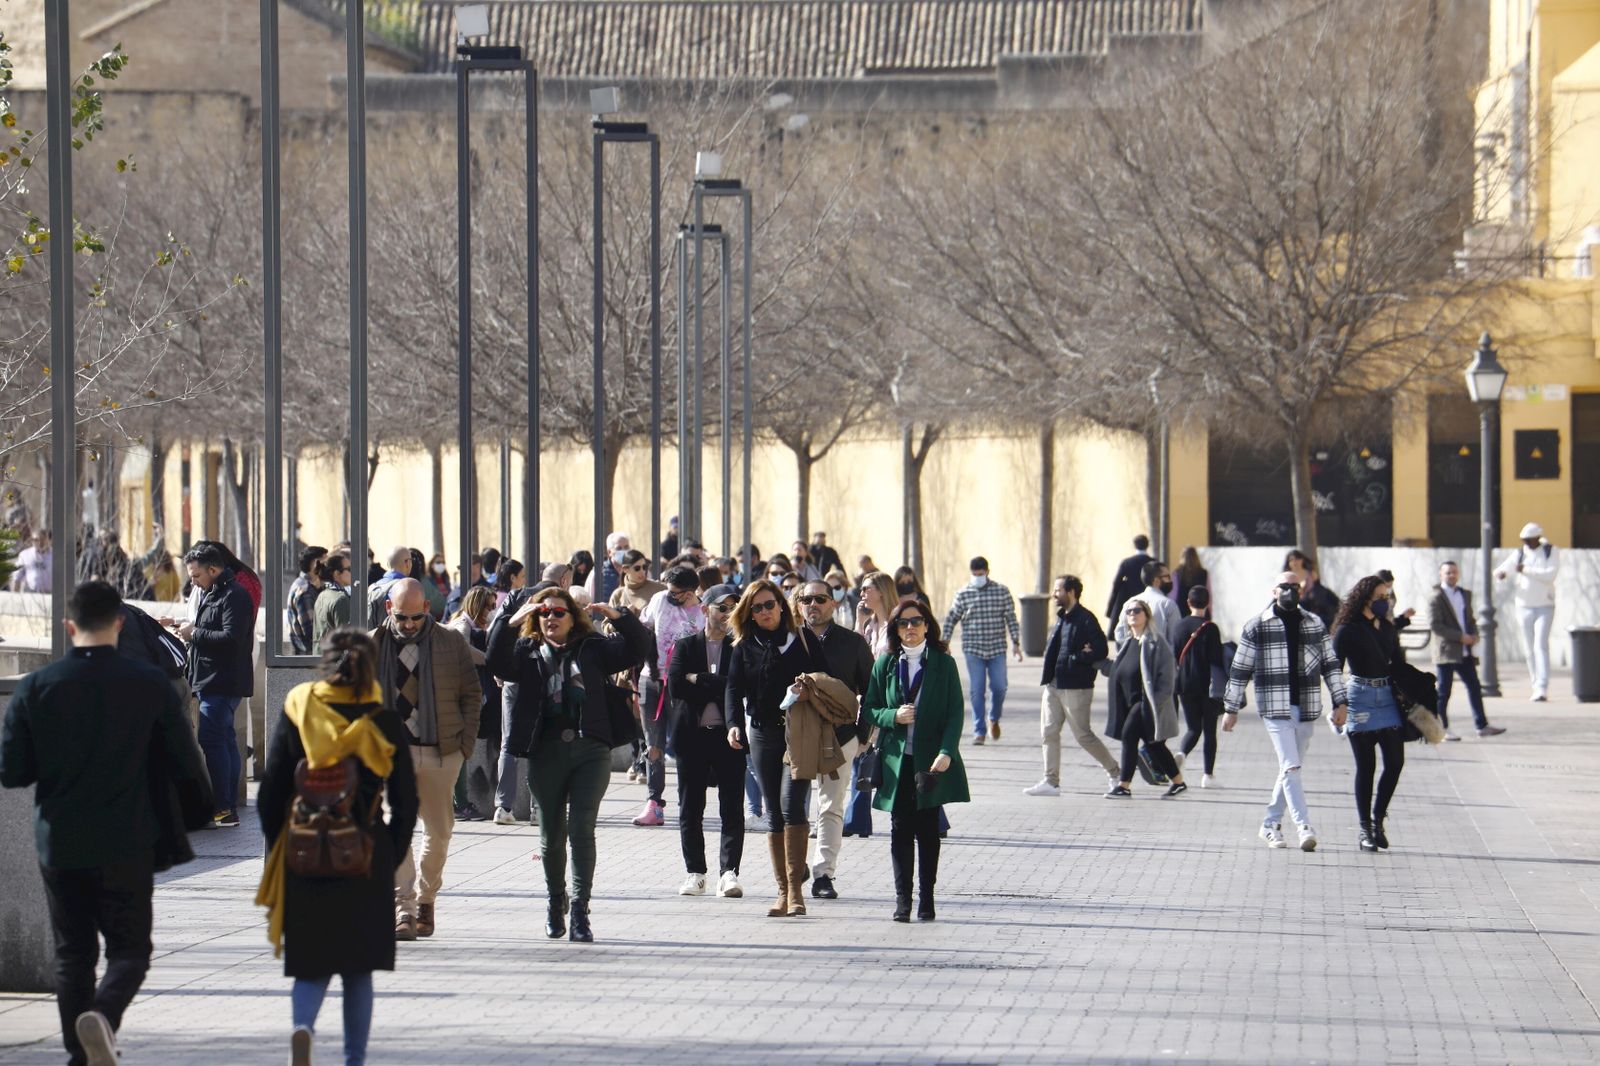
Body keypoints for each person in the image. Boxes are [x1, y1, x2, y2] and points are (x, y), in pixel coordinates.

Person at [3, 581, 210, 1066]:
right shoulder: (149, 685)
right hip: (129, 838)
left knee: (72, 954)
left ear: (68, 627)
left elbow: (13, 771)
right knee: (130, 951)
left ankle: (81, 1054)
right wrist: (198, 815)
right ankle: (104, 1015)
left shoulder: (37, 687)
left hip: (61, 839)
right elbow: (187, 762)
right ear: (119, 624)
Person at [256, 628, 418, 1066]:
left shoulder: (299, 706)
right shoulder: (382, 719)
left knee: (311, 963)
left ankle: (304, 1028)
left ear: (323, 663)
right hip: (364, 854)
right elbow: (406, 798)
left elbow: (270, 791)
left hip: (305, 854)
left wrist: (280, 852)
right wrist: (391, 852)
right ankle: (353, 1059)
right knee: (357, 969)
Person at [488, 587, 652, 942]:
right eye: (544, 612)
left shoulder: (592, 649)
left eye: (559, 612)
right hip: (544, 752)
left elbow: (639, 648)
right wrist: (508, 620)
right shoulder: (527, 651)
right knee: (550, 837)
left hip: (590, 750)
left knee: (581, 830)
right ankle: (554, 901)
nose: (551, 618)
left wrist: (619, 617)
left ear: (572, 617)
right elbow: (496, 662)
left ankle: (580, 909)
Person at [370, 579, 481, 941]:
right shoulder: (372, 644)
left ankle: (427, 899)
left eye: (417, 617)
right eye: (402, 617)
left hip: (440, 750)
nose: (410, 624)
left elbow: (471, 694)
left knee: (439, 830)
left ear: (428, 611)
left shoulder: (450, 641)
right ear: (390, 609)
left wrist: (463, 745)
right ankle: (405, 908)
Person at [1223, 571, 1349, 852]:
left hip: (1306, 706)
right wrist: (1231, 708)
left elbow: (1330, 664)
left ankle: (1269, 825)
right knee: (1291, 766)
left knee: (1290, 769)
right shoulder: (1257, 625)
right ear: (1273, 591)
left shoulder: (1314, 623)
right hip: (1274, 707)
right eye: (1284, 586)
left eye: (1295, 586)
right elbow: (1240, 668)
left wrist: (1341, 702)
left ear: (1301, 591)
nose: (1290, 591)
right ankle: (1304, 826)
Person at [863, 597, 969, 922]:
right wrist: (893, 715)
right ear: (895, 628)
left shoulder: (943, 663)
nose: (910, 628)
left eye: (916, 622)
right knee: (899, 829)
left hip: (930, 760)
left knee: (927, 829)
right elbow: (869, 708)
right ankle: (902, 900)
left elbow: (955, 713)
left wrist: (947, 752)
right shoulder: (886, 663)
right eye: (904, 623)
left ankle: (927, 899)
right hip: (897, 761)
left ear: (927, 625)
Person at [725, 578, 826, 918]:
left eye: (770, 604)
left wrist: (808, 685)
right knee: (774, 810)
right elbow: (732, 688)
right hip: (763, 734)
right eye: (757, 608)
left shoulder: (801, 639)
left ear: (782, 605)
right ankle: (782, 892)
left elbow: (825, 677)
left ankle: (797, 892)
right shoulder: (744, 646)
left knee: (792, 803)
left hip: (799, 733)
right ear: (749, 614)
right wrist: (733, 723)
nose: (765, 612)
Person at [792, 579, 874, 901]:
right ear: (798, 605)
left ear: (834, 603)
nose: (814, 605)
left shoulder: (852, 643)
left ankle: (823, 874)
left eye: (821, 599)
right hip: (794, 735)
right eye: (806, 599)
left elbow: (871, 691)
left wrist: (862, 735)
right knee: (793, 805)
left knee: (830, 805)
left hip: (840, 735)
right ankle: (794, 863)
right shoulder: (787, 642)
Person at [666, 583, 746, 898]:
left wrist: (701, 679)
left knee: (731, 808)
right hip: (691, 738)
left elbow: (740, 687)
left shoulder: (739, 647)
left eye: (733, 608)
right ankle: (695, 872)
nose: (727, 614)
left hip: (730, 737)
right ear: (705, 610)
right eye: (721, 608)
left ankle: (729, 873)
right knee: (690, 808)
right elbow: (676, 688)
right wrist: (721, 685)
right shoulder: (686, 646)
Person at [179, 543, 257, 828]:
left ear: (214, 569)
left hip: (222, 680)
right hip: (212, 678)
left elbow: (231, 638)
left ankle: (224, 807)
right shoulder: (214, 592)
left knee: (212, 740)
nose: (193, 582)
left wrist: (194, 633)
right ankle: (227, 806)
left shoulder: (234, 595)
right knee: (223, 739)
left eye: (196, 575)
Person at [1331, 575, 1407, 853]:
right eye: (1380, 597)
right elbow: (1334, 669)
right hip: (1359, 698)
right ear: (1365, 598)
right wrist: (1339, 704)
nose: (1384, 602)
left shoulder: (1387, 627)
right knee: (1367, 767)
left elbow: (1398, 664)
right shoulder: (1347, 630)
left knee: (1395, 762)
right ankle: (1365, 828)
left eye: (1387, 597)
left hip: (1387, 697)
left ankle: (1378, 820)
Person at [1026, 575, 1120, 796]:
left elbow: (1101, 650)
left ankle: (1115, 773)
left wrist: (1078, 658)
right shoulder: (1061, 618)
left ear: (1071, 592)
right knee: (1048, 732)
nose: (1054, 594)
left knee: (1083, 736)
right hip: (1053, 685)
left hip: (1076, 687)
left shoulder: (1086, 619)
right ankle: (1051, 782)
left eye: (1058, 590)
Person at [633, 565, 705, 827]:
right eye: (669, 590)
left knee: (685, 744)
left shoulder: (702, 612)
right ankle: (654, 802)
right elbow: (644, 627)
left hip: (683, 686)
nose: (670, 596)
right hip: (651, 679)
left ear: (690, 592)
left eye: (676, 593)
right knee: (653, 744)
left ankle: (689, 800)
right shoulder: (659, 600)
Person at [1104, 600, 1187, 798]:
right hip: (1130, 703)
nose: (1133, 614)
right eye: (1129, 611)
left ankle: (1124, 785)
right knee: (1154, 745)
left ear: (1147, 615)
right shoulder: (1128, 642)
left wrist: (1154, 704)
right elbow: (1117, 670)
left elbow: (1167, 679)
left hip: (1146, 704)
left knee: (1129, 737)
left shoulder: (1156, 643)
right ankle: (1178, 782)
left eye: (1137, 610)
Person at [942, 556, 1023, 745]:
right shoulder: (963, 593)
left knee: (1000, 686)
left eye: (981, 574)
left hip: (997, 648)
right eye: (974, 574)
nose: (978, 577)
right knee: (977, 690)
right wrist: (944, 641)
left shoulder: (1001, 591)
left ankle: (994, 718)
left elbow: (1011, 617)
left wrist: (1016, 643)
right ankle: (979, 730)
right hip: (973, 649)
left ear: (987, 572)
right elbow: (952, 617)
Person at [1429, 561, 1507, 740]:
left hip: (1465, 652)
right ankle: (1442, 728)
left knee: (1474, 687)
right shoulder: (1436, 597)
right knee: (1444, 691)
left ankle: (1482, 725)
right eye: (1448, 573)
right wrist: (1459, 637)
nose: (1451, 575)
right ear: (1441, 575)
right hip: (1447, 652)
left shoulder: (1464, 594)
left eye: (1454, 572)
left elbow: (1469, 619)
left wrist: (1474, 634)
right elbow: (1436, 625)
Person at [445, 585, 497, 823]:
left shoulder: (470, 625)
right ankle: (460, 803)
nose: (491, 611)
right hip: (455, 697)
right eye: (488, 606)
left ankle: (459, 802)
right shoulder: (462, 626)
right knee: (458, 752)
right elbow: (462, 650)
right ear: (477, 606)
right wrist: (489, 659)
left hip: (462, 695)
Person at [1494, 522, 1559, 701]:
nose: (1526, 543)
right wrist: (1502, 575)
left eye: (1529, 540)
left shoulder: (1550, 551)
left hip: (1545, 606)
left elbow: (1550, 575)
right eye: (1524, 540)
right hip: (1523, 605)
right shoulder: (1520, 553)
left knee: (1540, 645)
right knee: (1529, 648)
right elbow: (1502, 569)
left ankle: (1542, 686)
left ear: (1537, 538)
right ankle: (1534, 683)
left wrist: (1526, 570)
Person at [1172, 586, 1227, 787]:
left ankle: (1181, 754)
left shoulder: (1179, 626)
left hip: (1184, 684)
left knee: (1193, 728)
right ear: (1208, 603)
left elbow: (1174, 654)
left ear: (1188, 602)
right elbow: (1216, 659)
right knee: (1209, 732)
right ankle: (1207, 776)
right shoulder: (1210, 627)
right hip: (1207, 686)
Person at [1114, 559, 1182, 649]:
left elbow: (1120, 634)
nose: (1170, 580)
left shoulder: (1129, 603)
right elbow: (1176, 639)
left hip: (1132, 658)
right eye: (1167, 577)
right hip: (1159, 660)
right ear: (1156, 580)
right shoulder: (1168, 605)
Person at [287, 545, 328, 655]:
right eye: (325, 563)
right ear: (315, 564)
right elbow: (312, 631)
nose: (327, 568)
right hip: (307, 658)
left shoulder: (312, 586)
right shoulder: (305, 591)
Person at [1285, 550, 1339, 629]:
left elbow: (1318, 589)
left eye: (1297, 559)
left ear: (1302, 560)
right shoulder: (1287, 576)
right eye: (1291, 560)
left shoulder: (1310, 574)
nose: (1294, 562)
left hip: (1311, 605)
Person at [1106, 534, 1153, 625]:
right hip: (1148, 601)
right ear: (1147, 545)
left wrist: (1111, 609)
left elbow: (1116, 584)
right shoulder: (1153, 563)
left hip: (1128, 600)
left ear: (1134, 545)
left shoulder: (1127, 563)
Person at [312, 554, 353, 653]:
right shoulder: (341, 599)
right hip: (334, 662)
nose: (353, 572)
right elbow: (345, 639)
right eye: (349, 569)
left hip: (320, 658)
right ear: (336, 574)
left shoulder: (323, 595)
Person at [364, 546, 412, 627]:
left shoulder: (373, 587)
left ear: (387, 564)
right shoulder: (405, 587)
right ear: (407, 563)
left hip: (372, 636)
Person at [855, 571, 897, 658]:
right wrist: (859, 622)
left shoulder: (898, 623)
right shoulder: (869, 627)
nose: (861, 594)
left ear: (881, 591)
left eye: (865, 589)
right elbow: (857, 654)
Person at [586, 532, 633, 603]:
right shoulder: (598, 573)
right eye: (619, 548)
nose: (623, 551)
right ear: (609, 552)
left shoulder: (637, 569)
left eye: (626, 547)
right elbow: (588, 600)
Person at [10, 527, 51, 591]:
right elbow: (17, 578)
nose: (40, 542)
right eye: (36, 540)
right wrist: (15, 597)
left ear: (48, 539)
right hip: (31, 593)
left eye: (42, 539)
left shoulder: (56, 555)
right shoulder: (25, 555)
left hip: (51, 594)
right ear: (32, 540)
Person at [410, 548, 446, 620]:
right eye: (438, 562)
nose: (441, 565)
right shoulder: (425, 580)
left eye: (443, 562)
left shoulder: (446, 579)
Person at [1172, 546, 1209, 614]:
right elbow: (1208, 593)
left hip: (1181, 609)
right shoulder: (1204, 573)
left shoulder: (1177, 573)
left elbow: (1175, 594)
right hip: (1200, 609)